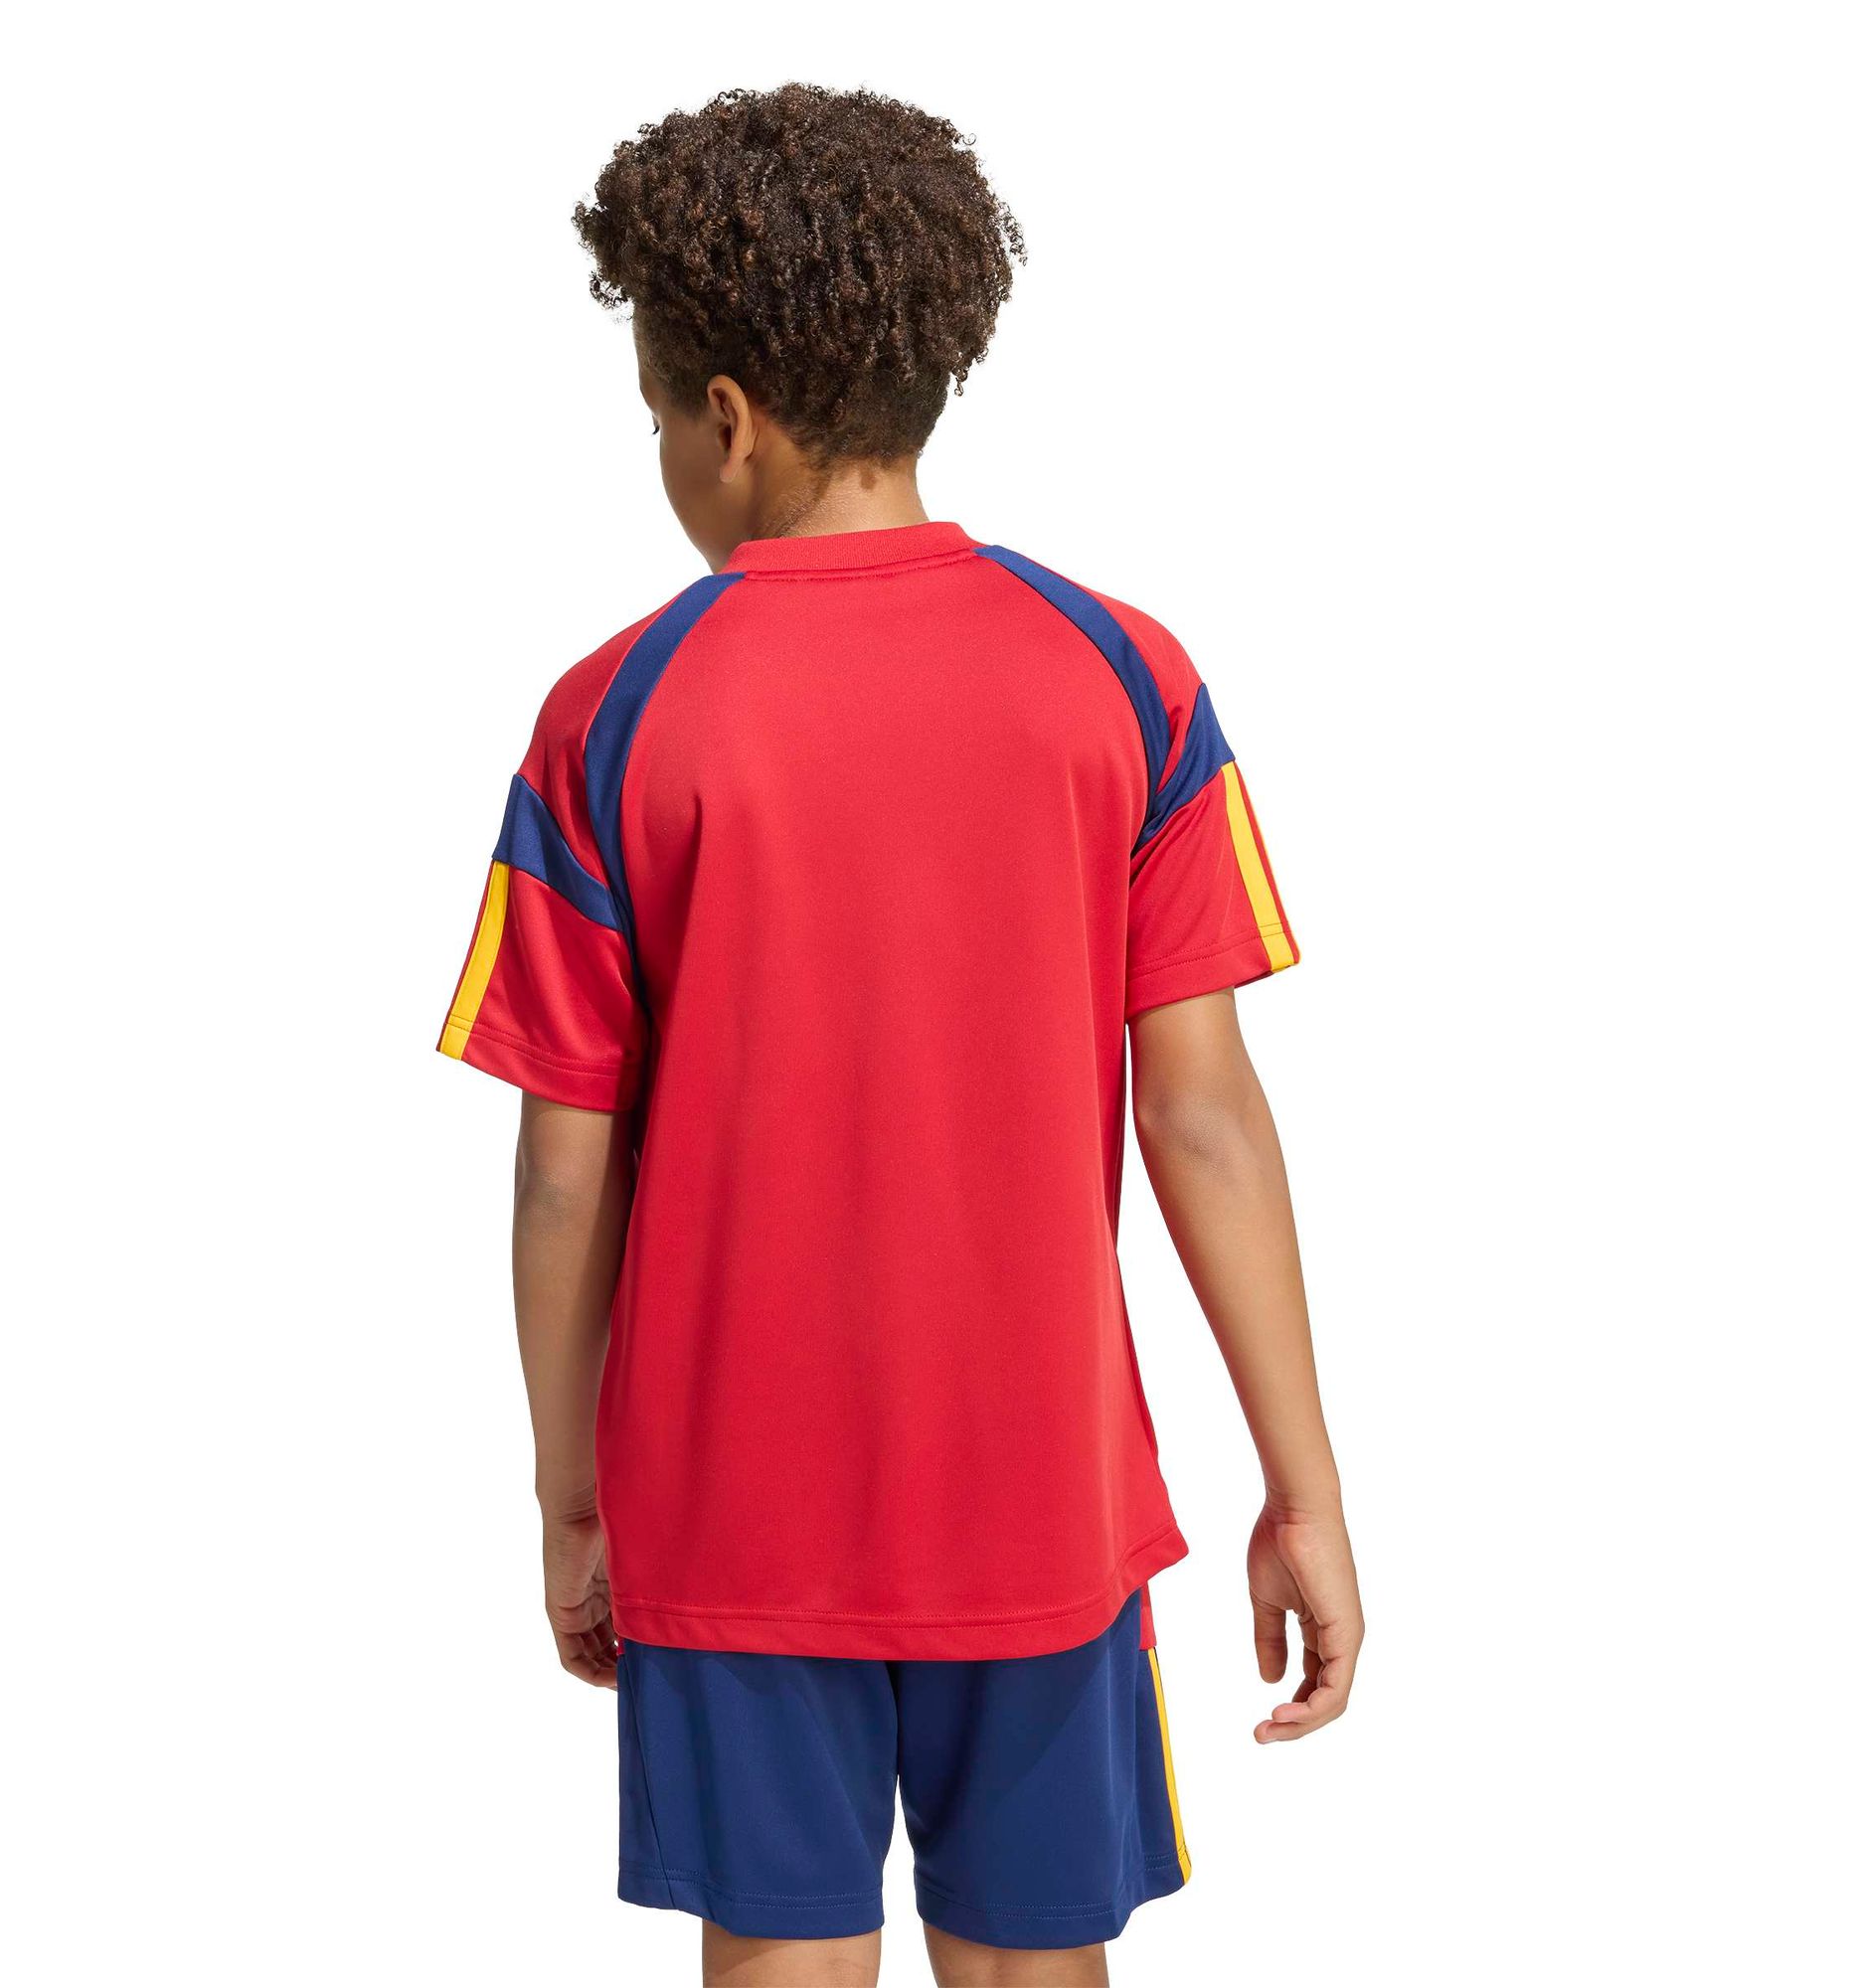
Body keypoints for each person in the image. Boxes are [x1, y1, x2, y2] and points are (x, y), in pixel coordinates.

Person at [437, 83, 1362, 1988]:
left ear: (726, 419)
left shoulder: (611, 715)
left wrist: (570, 1498)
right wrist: (1305, 1485)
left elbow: (559, 1174)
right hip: (1039, 1500)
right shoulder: (1127, 676)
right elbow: (1205, 1118)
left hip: (727, 1515)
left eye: (655, 419)